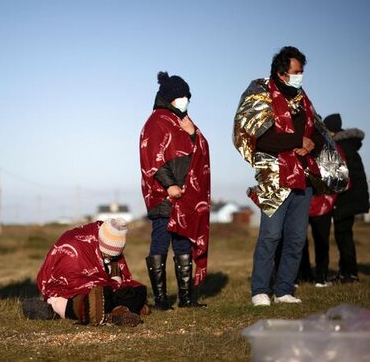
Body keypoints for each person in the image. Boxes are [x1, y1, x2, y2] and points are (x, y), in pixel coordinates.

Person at [233, 46, 347, 306]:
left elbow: (319, 131)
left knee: (296, 238)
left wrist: (308, 144)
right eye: (297, 72)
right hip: (276, 179)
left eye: (302, 72)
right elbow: (260, 137)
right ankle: (260, 289)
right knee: (271, 235)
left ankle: (284, 289)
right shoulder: (259, 92)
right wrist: (296, 139)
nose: (301, 77)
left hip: (303, 177)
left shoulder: (302, 98)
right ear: (282, 73)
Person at [140, 72, 211, 310]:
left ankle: (186, 299)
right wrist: (169, 185)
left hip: (186, 197)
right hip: (164, 195)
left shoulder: (184, 122)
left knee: (182, 243)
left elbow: (198, 152)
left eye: (187, 96)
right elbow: (152, 158)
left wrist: (192, 134)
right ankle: (160, 300)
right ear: (169, 97)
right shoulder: (156, 121)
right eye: (180, 96)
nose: (185, 100)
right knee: (160, 241)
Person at [34, 219, 148, 326]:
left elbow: (118, 281)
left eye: (115, 256)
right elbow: (70, 279)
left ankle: (118, 312)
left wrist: (115, 280)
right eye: (107, 255)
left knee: (139, 290)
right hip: (70, 291)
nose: (111, 258)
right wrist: (108, 283)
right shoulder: (74, 244)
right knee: (100, 294)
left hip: (103, 288)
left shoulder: (111, 240)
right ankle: (101, 310)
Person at [324, 113, 369, 283]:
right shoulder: (349, 145)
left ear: (332, 130)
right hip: (354, 197)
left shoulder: (341, 147)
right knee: (344, 234)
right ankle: (347, 272)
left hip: (347, 198)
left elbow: (340, 178)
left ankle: (349, 274)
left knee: (343, 235)